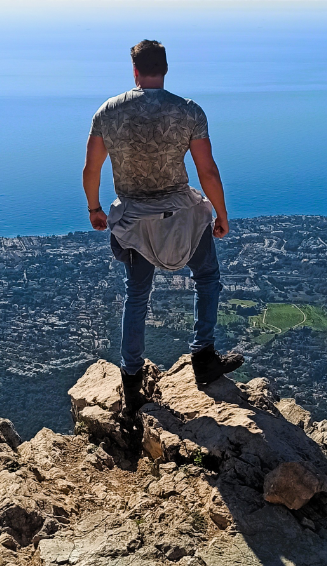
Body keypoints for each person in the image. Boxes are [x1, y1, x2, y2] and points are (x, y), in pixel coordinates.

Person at [82, 40, 242, 412]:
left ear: (134, 70)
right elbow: (207, 171)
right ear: (165, 69)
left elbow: (92, 169)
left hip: (135, 220)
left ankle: (132, 379)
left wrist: (95, 208)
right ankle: (203, 358)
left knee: (137, 295)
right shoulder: (188, 112)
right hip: (183, 215)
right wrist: (220, 214)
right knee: (206, 277)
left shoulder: (108, 112)